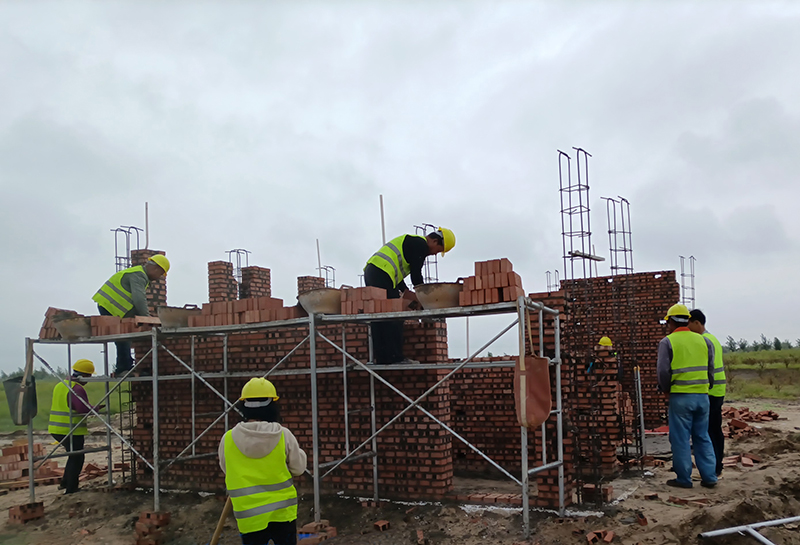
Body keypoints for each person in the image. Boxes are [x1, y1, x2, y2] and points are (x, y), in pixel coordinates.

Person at [218, 378, 307, 545]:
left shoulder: (228, 439)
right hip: (282, 513)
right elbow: (298, 468)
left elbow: (227, 469)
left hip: (249, 516)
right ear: (273, 406)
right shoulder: (283, 435)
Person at [363, 227, 455, 364]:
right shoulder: (420, 245)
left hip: (373, 271)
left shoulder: (412, 242)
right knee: (395, 313)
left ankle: (381, 358)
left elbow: (396, 272)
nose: (435, 254)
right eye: (438, 250)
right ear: (435, 241)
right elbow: (416, 276)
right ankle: (395, 358)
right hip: (382, 273)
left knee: (379, 315)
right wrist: (424, 298)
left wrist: (406, 291)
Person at [657, 303, 718, 489]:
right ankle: (710, 476)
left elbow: (663, 371)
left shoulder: (667, 342)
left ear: (671, 322)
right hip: (702, 396)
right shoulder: (704, 341)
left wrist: (665, 389)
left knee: (681, 439)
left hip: (681, 397)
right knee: (702, 436)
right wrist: (707, 386)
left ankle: (684, 479)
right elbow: (710, 368)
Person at [92, 255, 170, 373]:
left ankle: (125, 366)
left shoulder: (139, 274)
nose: (158, 278)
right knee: (123, 336)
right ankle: (123, 368)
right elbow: (139, 299)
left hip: (110, 306)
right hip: (109, 306)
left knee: (123, 336)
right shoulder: (138, 275)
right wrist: (147, 318)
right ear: (156, 269)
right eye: (160, 274)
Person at [48, 359, 105, 494]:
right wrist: (95, 408)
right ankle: (71, 489)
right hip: (71, 430)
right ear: (84, 375)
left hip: (56, 429)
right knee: (77, 457)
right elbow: (82, 409)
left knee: (73, 455)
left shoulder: (61, 384)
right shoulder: (76, 388)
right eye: (88, 376)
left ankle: (65, 482)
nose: (89, 380)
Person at [689, 309, 726, 476]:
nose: (688, 328)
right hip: (718, 390)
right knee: (715, 429)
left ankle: (713, 468)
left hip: (710, 391)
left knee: (709, 431)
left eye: (689, 324)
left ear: (697, 323)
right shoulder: (713, 338)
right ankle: (717, 466)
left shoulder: (704, 341)